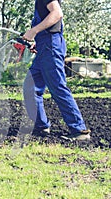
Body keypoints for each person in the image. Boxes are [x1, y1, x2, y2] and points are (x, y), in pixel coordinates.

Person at [22, 0, 91, 141]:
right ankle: (41, 125)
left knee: (58, 86)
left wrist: (34, 31)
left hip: (50, 46)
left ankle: (79, 130)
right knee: (30, 87)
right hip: (44, 46)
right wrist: (37, 41)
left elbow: (57, 13)